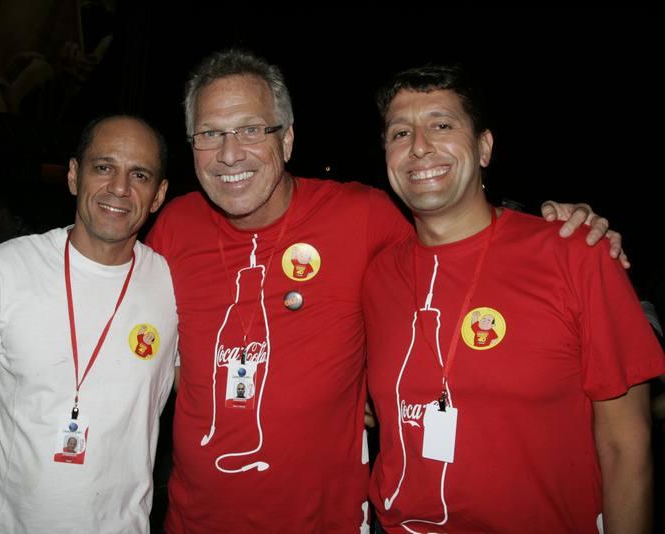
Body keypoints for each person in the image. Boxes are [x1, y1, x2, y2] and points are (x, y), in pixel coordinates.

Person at [145, 49, 625, 532]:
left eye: (251, 129)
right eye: (210, 134)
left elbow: (461, 239)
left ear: (286, 139)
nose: (230, 153)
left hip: (326, 521)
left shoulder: (364, 217)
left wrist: (562, 232)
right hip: (192, 520)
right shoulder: (173, 228)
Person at [362, 65, 665, 533]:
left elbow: (627, 445)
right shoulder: (374, 275)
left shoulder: (574, 254)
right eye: (401, 132)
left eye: (441, 125)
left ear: (484, 147)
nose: (419, 146)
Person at [0, 115, 178, 533]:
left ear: (158, 195)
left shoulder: (173, 286)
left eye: (139, 175)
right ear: (74, 176)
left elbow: (202, 405)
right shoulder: (4, 269)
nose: (119, 188)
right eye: (103, 167)